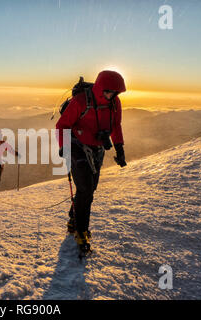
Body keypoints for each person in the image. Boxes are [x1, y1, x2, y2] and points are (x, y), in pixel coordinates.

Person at [56, 70, 127, 251]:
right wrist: (64, 147)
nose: (113, 96)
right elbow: (62, 125)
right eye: (110, 92)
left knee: (89, 189)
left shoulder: (114, 103)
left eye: (115, 93)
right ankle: (81, 231)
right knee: (86, 189)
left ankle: (74, 219)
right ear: (101, 87)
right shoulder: (81, 101)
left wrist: (119, 148)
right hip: (76, 147)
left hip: (97, 149)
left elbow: (115, 125)